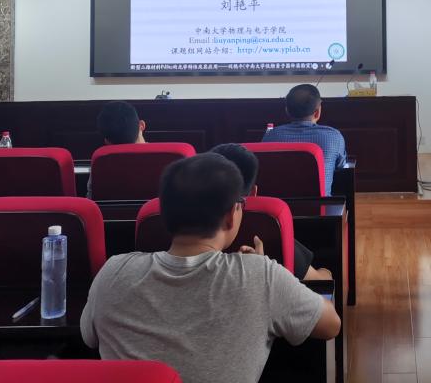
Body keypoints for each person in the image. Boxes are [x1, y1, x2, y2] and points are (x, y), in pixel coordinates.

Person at [80, 153, 340, 383]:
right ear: (231, 215)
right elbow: (331, 324)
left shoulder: (112, 272)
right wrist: (262, 273)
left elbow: (88, 337)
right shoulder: (261, 276)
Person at [209, 142, 332, 282]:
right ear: (253, 192)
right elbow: (320, 281)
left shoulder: (192, 230)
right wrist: (327, 272)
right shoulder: (270, 225)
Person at [264, 84, 346, 196]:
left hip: (281, 204)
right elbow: (341, 167)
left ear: (287, 111)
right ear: (317, 112)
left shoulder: (271, 136)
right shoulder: (333, 136)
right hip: (320, 205)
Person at [87, 100, 147, 199]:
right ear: (142, 125)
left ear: (106, 141)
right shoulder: (164, 156)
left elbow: (91, 200)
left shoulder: (101, 162)